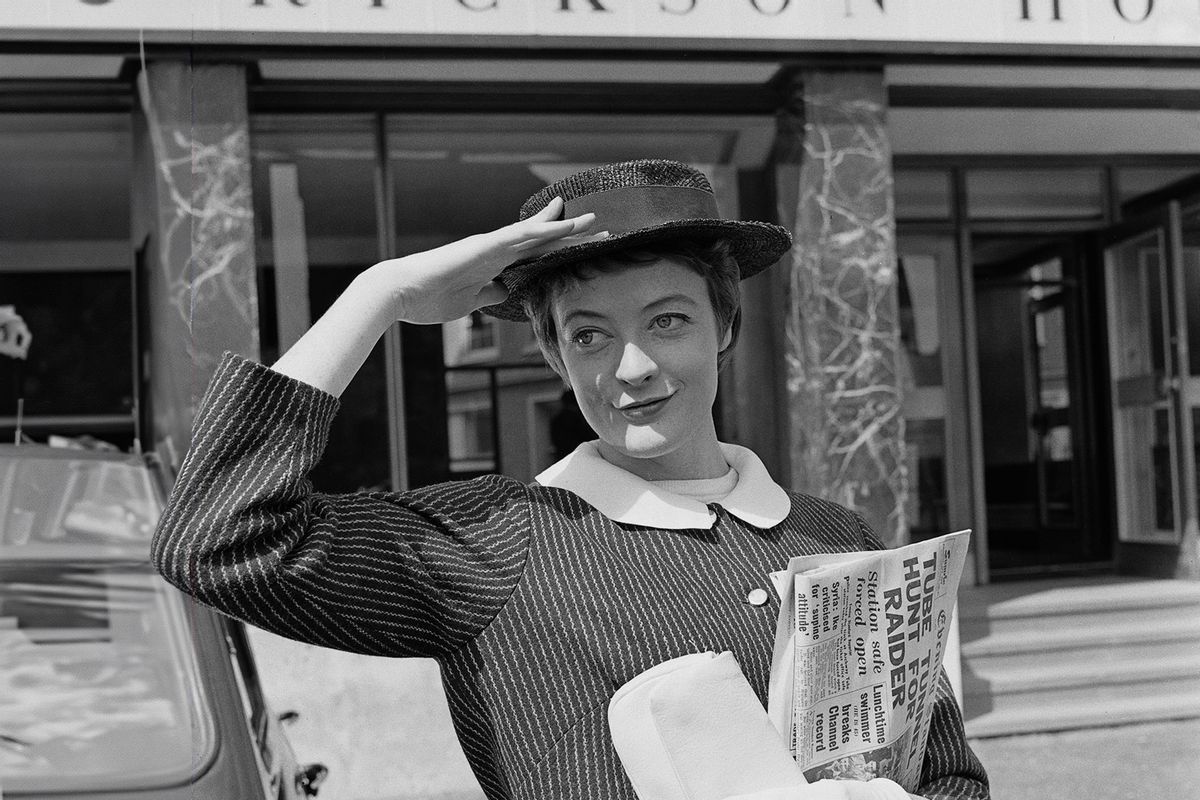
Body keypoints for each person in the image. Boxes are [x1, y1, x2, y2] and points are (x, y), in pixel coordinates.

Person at [152, 160, 988, 800]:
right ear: (552, 354)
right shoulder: (499, 539)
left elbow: (950, 777)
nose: (632, 368)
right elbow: (216, 539)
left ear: (723, 326)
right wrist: (378, 295)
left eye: (668, 321)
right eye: (589, 336)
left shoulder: (838, 537)